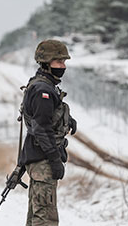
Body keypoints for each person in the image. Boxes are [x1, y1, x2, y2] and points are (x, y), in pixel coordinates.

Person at [18, 39, 77, 226]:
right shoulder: (43, 89)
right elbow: (41, 128)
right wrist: (54, 159)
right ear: (46, 62)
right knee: (45, 218)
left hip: (39, 159)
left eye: (64, 62)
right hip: (43, 161)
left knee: (37, 214)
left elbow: (45, 116)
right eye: (59, 62)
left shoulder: (42, 85)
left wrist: (69, 120)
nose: (63, 66)